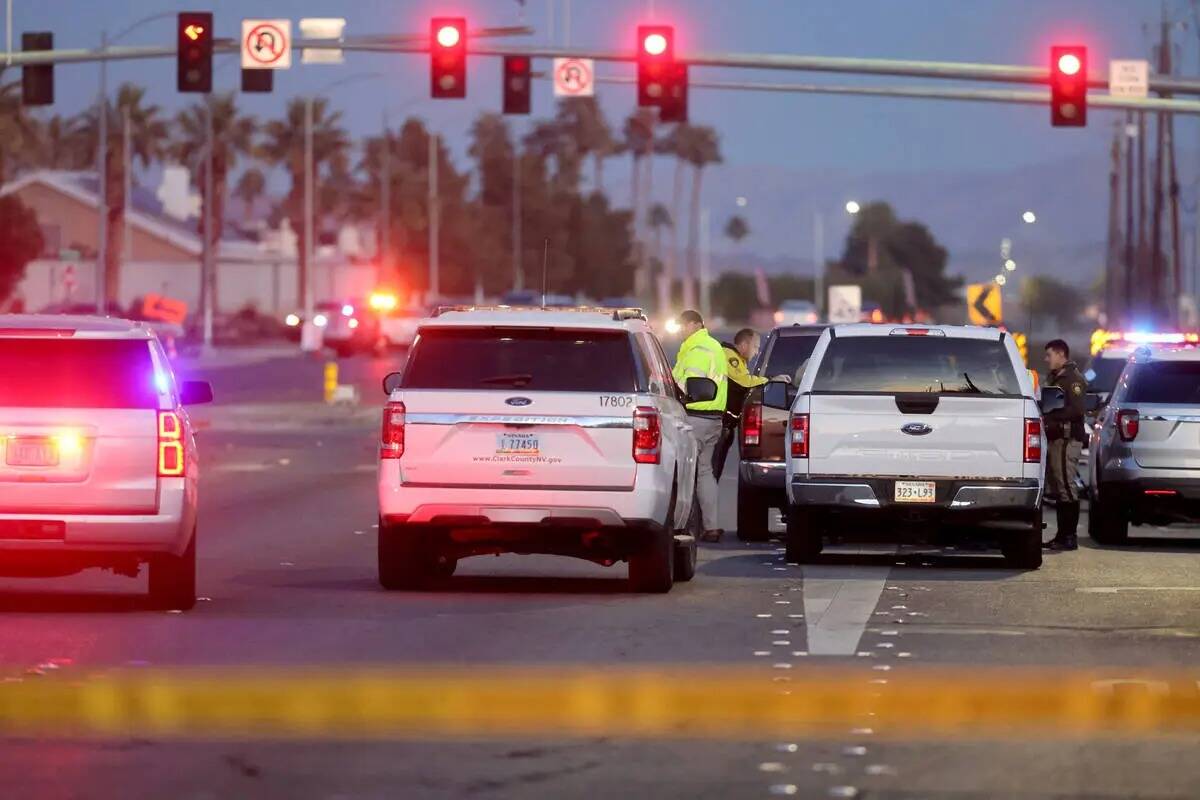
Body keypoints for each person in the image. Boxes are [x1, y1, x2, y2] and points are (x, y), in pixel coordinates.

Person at [671, 309, 729, 543]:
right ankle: (711, 527)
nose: (681, 331)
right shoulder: (713, 345)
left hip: (694, 417)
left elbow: (684, 386)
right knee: (704, 471)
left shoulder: (696, 350)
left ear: (694, 325)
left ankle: (680, 525)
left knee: (683, 473)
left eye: (683, 326)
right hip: (714, 419)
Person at [1042, 339, 1087, 551]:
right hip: (1056, 438)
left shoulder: (1073, 379)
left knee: (1067, 487)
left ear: (1061, 354)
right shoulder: (1055, 378)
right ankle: (1062, 535)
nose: (1046, 359)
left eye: (1049, 355)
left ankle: (1070, 536)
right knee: (1059, 488)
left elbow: (1077, 410)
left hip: (1067, 439)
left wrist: (1052, 414)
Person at [713, 328, 768, 481]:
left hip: (726, 424)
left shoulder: (737, 359)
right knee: (711, 472)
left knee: (714, 471)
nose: (757, 352)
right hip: (720, 424)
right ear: (744, 345)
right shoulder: (730, 357)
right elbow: (744, 382)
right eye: (755, 347)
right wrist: (769, 380)